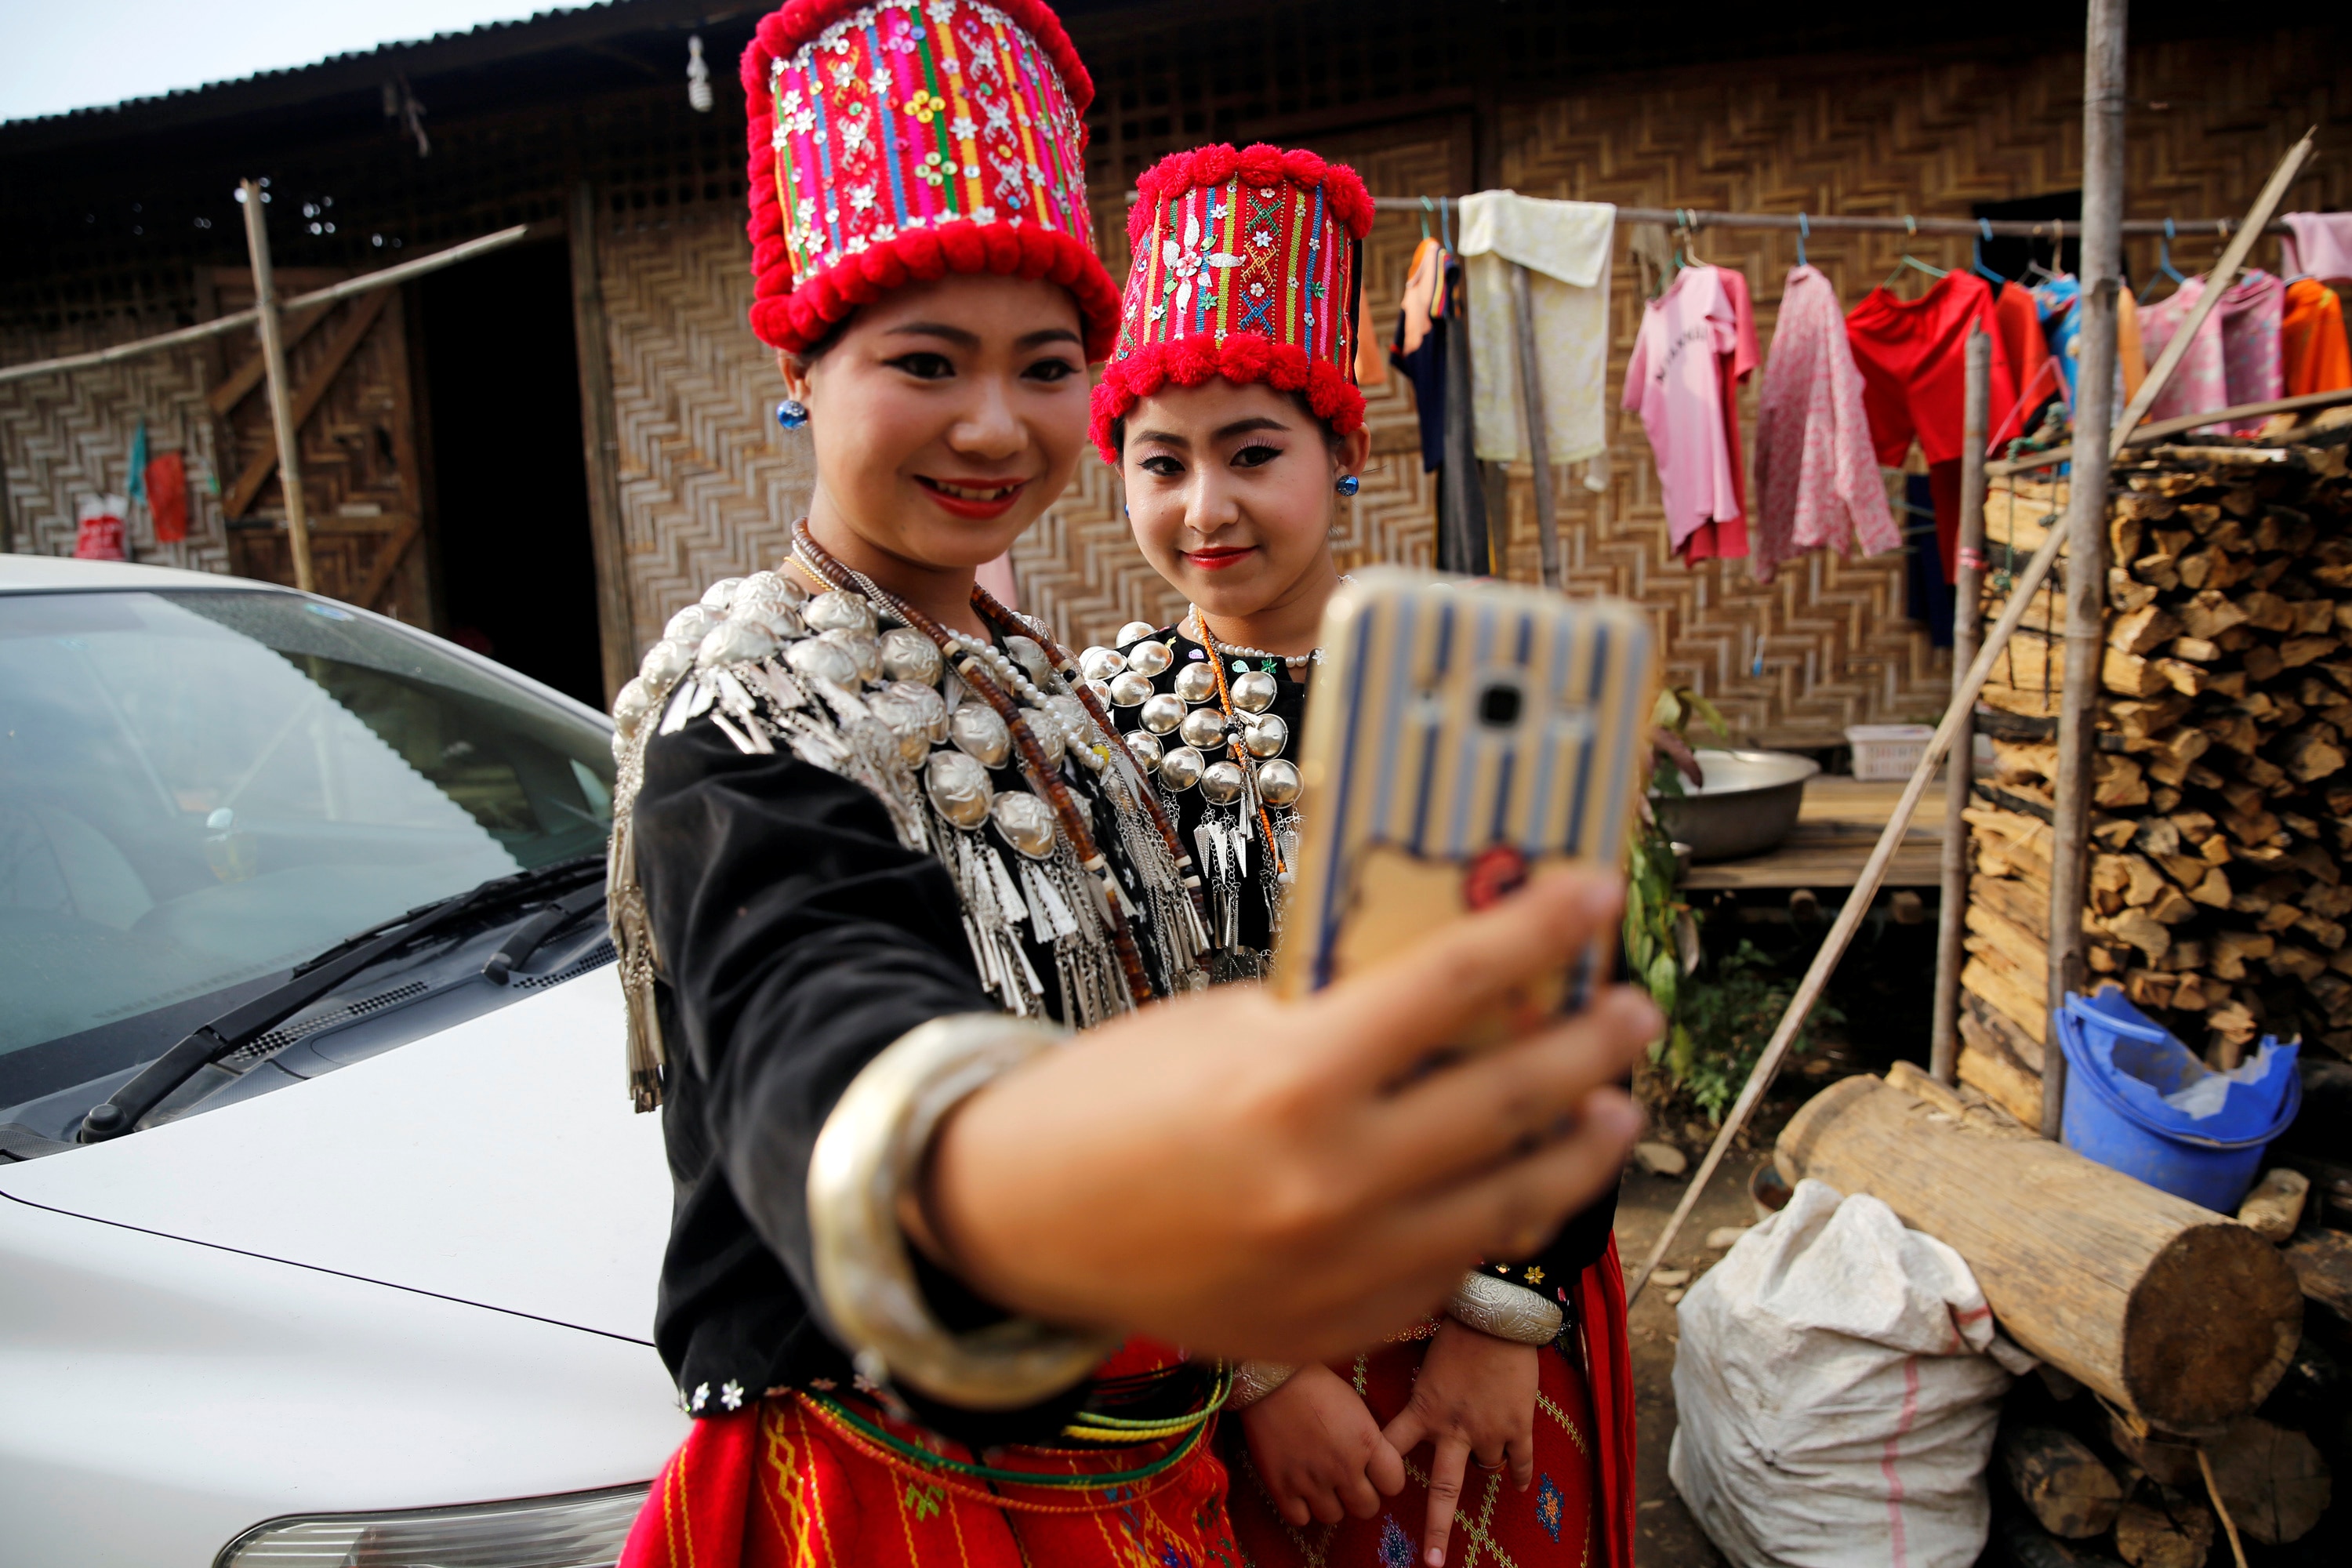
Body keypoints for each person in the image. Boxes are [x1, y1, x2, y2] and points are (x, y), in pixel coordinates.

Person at [606, 9, 1655, 1565]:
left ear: (1337, 457)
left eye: (1042, 367)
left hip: (1182, 1432)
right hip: (930, 1486)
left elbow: (1548, 995)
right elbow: (805, 1007)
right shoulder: (752, 718)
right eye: (923, 361)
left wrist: (1490, 1296)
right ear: (799, 368)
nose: (992, 422)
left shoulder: (1028, 684)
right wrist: (997, 1180)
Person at [1084, 143, 1639, 1568]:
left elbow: (1576, 1020)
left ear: (1344, 454)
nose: (1205, 508)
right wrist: (1257, 1374)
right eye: (1163, 462)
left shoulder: (1484, 682)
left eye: (1253, 453)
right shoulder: (1090, 728)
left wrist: (1500, 1318)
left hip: (1491, 1310)